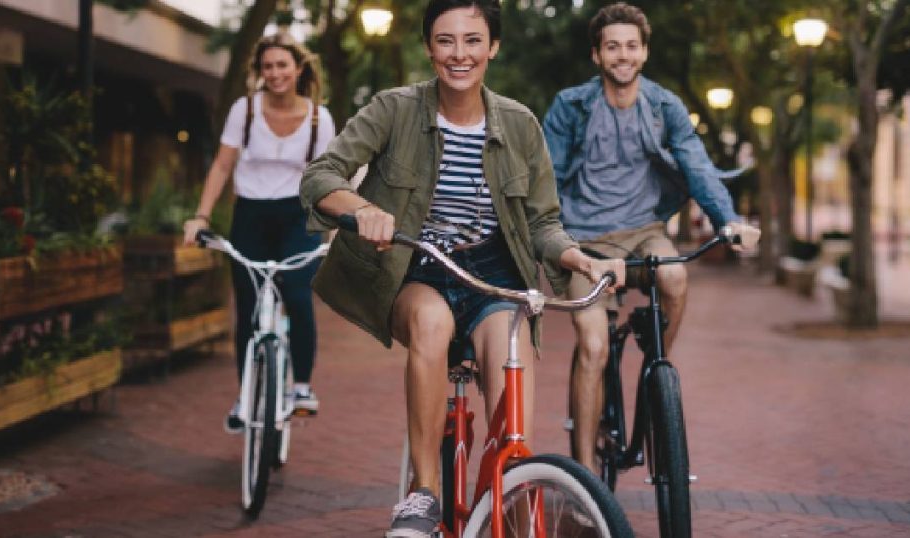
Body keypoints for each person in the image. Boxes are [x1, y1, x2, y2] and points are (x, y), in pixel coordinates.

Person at [299, 1, 625, 535]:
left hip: (494, 275)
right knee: (433, 323)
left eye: (473, 40)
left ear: (492, 47)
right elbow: (321, 176)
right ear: (429, 48)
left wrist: (573, 256)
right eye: (446, 40)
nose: (459, 54)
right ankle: (423, 492)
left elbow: (543, 222)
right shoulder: (394, 110)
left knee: (510, 371)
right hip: (419, 266)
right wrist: (363, 210)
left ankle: (517, 493)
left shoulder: (519, 125)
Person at [542, 2, 761, 474]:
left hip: (645, 231)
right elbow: (548, 182)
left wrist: (728, 219)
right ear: (597, 55)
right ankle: (584, 479)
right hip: (584, 241)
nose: (623, 55)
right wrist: (550, 242)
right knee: (594, 347)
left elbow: (697, 167)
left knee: (677, 277)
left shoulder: (664, 107)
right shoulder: (571, 106)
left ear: (644, 52)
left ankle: (653, 368)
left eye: (632, 46)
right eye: (612, 47)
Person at [183, 33, 336, 430]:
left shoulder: (319, 118)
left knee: (298, 295)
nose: (275, 73)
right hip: (249, 215)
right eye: (267, 66)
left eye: (282, 65)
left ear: (298, 68)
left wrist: (334, 231)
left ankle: (301, 385)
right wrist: (201, 216)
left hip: (298, 216)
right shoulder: (245, 111)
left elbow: (329, 179)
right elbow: (221, 166)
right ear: (260, 71)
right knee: (248, 307)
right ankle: (245, 394)